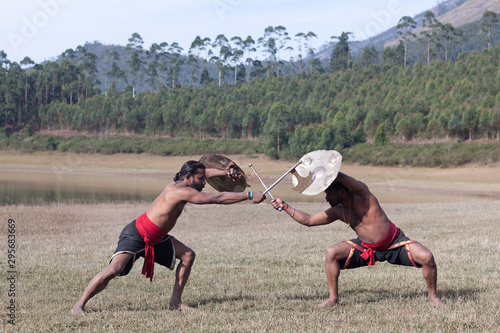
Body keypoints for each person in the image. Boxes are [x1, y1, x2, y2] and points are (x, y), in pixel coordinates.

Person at [71, 160, 265, 314]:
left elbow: (204, 172)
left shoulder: (179, 182)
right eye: (201, 179)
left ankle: (175, 303)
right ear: (188, 178)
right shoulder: (180, 192)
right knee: (114, 270)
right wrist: (249, 195)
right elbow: (218, 198)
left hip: (157, 237)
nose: (205, 182)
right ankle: (79, 305)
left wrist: (224, 173)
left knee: (188, 255)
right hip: (137, 234)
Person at [270, 171, 444, 308]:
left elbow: (345, 179)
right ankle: (333, 299)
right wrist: (284, 206)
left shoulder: (363, 194)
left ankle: (433, 297)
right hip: (366, 247)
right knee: (332, 252)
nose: (326, 197)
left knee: (427, 257)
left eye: (329, 193)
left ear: (342, 191)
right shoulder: (338, 211)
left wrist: (327, 172)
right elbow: (308, 220)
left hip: (394, 242)